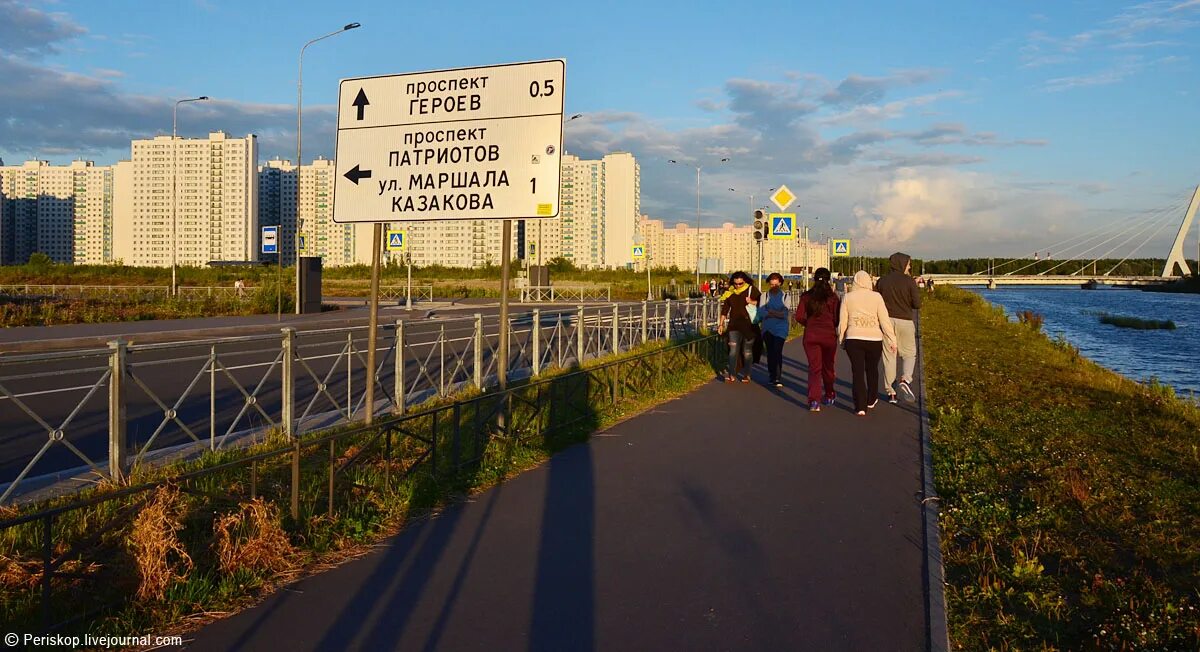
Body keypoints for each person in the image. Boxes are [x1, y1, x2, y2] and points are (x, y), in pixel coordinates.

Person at [837, 270, 896, 416]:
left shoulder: (848, 297)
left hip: (853, 338)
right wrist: (892, 339)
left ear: (855, 282)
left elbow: (842, 321)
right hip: (874, 339)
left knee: (857, 372)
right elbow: (884, 320)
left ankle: (860, 406)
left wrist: (841, 339)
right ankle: (872, 398)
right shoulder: (877, 297)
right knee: (872, 369)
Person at [875, 252, 922, 403]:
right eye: (908, 263)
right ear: (902, 264)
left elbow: (876, 300)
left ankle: (891, 393)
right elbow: (917, 304)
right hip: (905, 321)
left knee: (889, 357)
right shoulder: (909, 282)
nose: (910, 266)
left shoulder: (882, 281)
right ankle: (906, 379)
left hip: (886, 322)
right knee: (909, 354)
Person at [795, 267, 840, 412]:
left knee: (815, 368)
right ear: (829, 280)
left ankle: (814, 401)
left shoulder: (806, 296)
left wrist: (809, 324)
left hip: (811, 336)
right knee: (828, 367)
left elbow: (799, 316)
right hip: (828, 336)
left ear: (814, 280)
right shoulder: (833, 298)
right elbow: (837, 318)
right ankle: (829, 393)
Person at [717, 271, 761, 383]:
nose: (737, 286)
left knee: (747, 351)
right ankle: (732, 374)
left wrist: (752, 301)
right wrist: (721, 324)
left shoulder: (752, 290)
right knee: (733, 350)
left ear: (744, 281)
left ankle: (747, 374)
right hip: (734, 325)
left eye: (740, 283)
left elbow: (762, 303)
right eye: (735, 283)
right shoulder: (729, 292)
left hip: (749, 326)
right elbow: (725, 310)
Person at [759, 272, 791, 388]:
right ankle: (771, 375)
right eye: (771, 285)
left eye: (776, 285)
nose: (774, 287)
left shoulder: (785, 296)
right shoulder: (765, 296)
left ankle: (777, 377)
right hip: (767, 328)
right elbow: (762, 312)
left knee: (777, 350)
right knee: (770, 352)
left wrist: (771, 312)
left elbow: (784, 314)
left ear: (780, 284)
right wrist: (775, 313)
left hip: (781, 328)